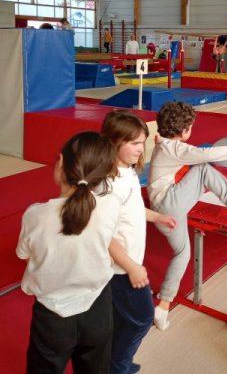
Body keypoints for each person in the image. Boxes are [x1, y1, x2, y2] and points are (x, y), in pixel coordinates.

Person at [148, 101, 227, 331]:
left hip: (162, 211)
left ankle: (163, 307)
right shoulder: (173, 148)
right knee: (202, 169)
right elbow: (203, 154)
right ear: (184, 131)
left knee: (182, 254)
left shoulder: (163, 145)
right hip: (169, 205)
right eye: (190, 127)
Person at [16, 132, 121, 374]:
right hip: (98, 308)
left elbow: (23, 253)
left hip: (52, 315)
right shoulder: (111, 205)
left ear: (61, 163)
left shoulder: (35, 215)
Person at [101, 110, 176, 374]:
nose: (140, 149)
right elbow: (104, 235)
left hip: (127, 263)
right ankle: (117, 367)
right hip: (119, 268)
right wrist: (132, 267)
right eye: (134, 143)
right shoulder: (108, 185)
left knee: (121, 318)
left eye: (142, 142)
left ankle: (112, 361)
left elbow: (132, 209)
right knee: (143, 318)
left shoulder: (128, 171)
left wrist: (157, 216)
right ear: (113, 142)